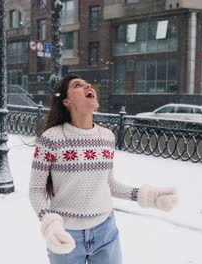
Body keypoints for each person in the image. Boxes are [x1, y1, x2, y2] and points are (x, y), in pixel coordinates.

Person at [29, 75, 178, 264]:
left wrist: (148, 196)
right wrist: (50, 223)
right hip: (65, 235)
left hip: (106, 231)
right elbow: (36, 189)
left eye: (87, 83)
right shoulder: (51, 138)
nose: (87, 85)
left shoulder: (107, 137)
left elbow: (109, 184)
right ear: (66, 101)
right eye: (77, 85)